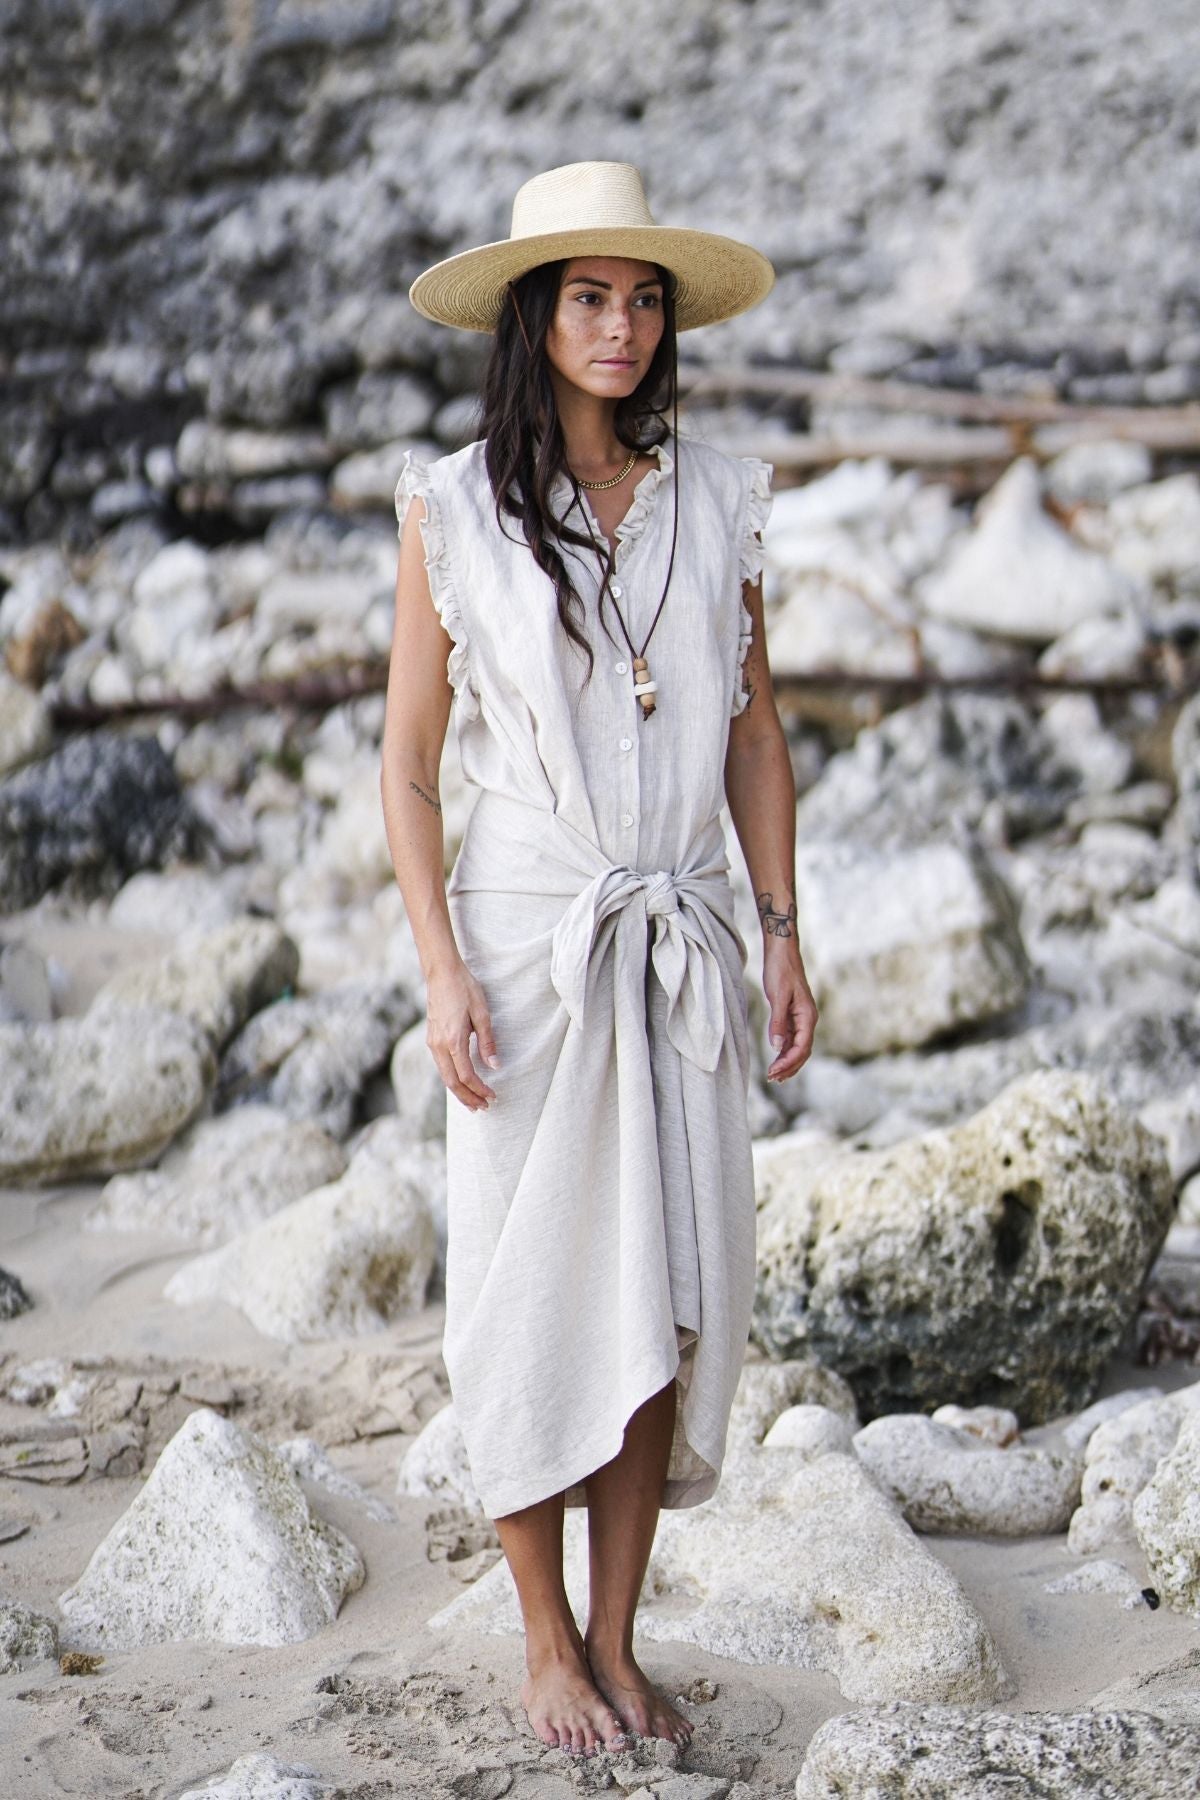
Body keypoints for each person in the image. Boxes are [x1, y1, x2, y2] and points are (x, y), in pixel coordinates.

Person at [380, 161, 818, 1763]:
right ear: (535, 316)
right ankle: (543, 1643)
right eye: (588, 298)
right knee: (523, 1297)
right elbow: (411, 769)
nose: (622, 328)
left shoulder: (721, 498)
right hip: (525, 948)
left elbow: (758, 736)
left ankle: (621, 1641)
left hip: (682, 935)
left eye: (643, 299)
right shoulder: (451, 510)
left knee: (669, 1293)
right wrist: (440, 970)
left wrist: (778, 926)